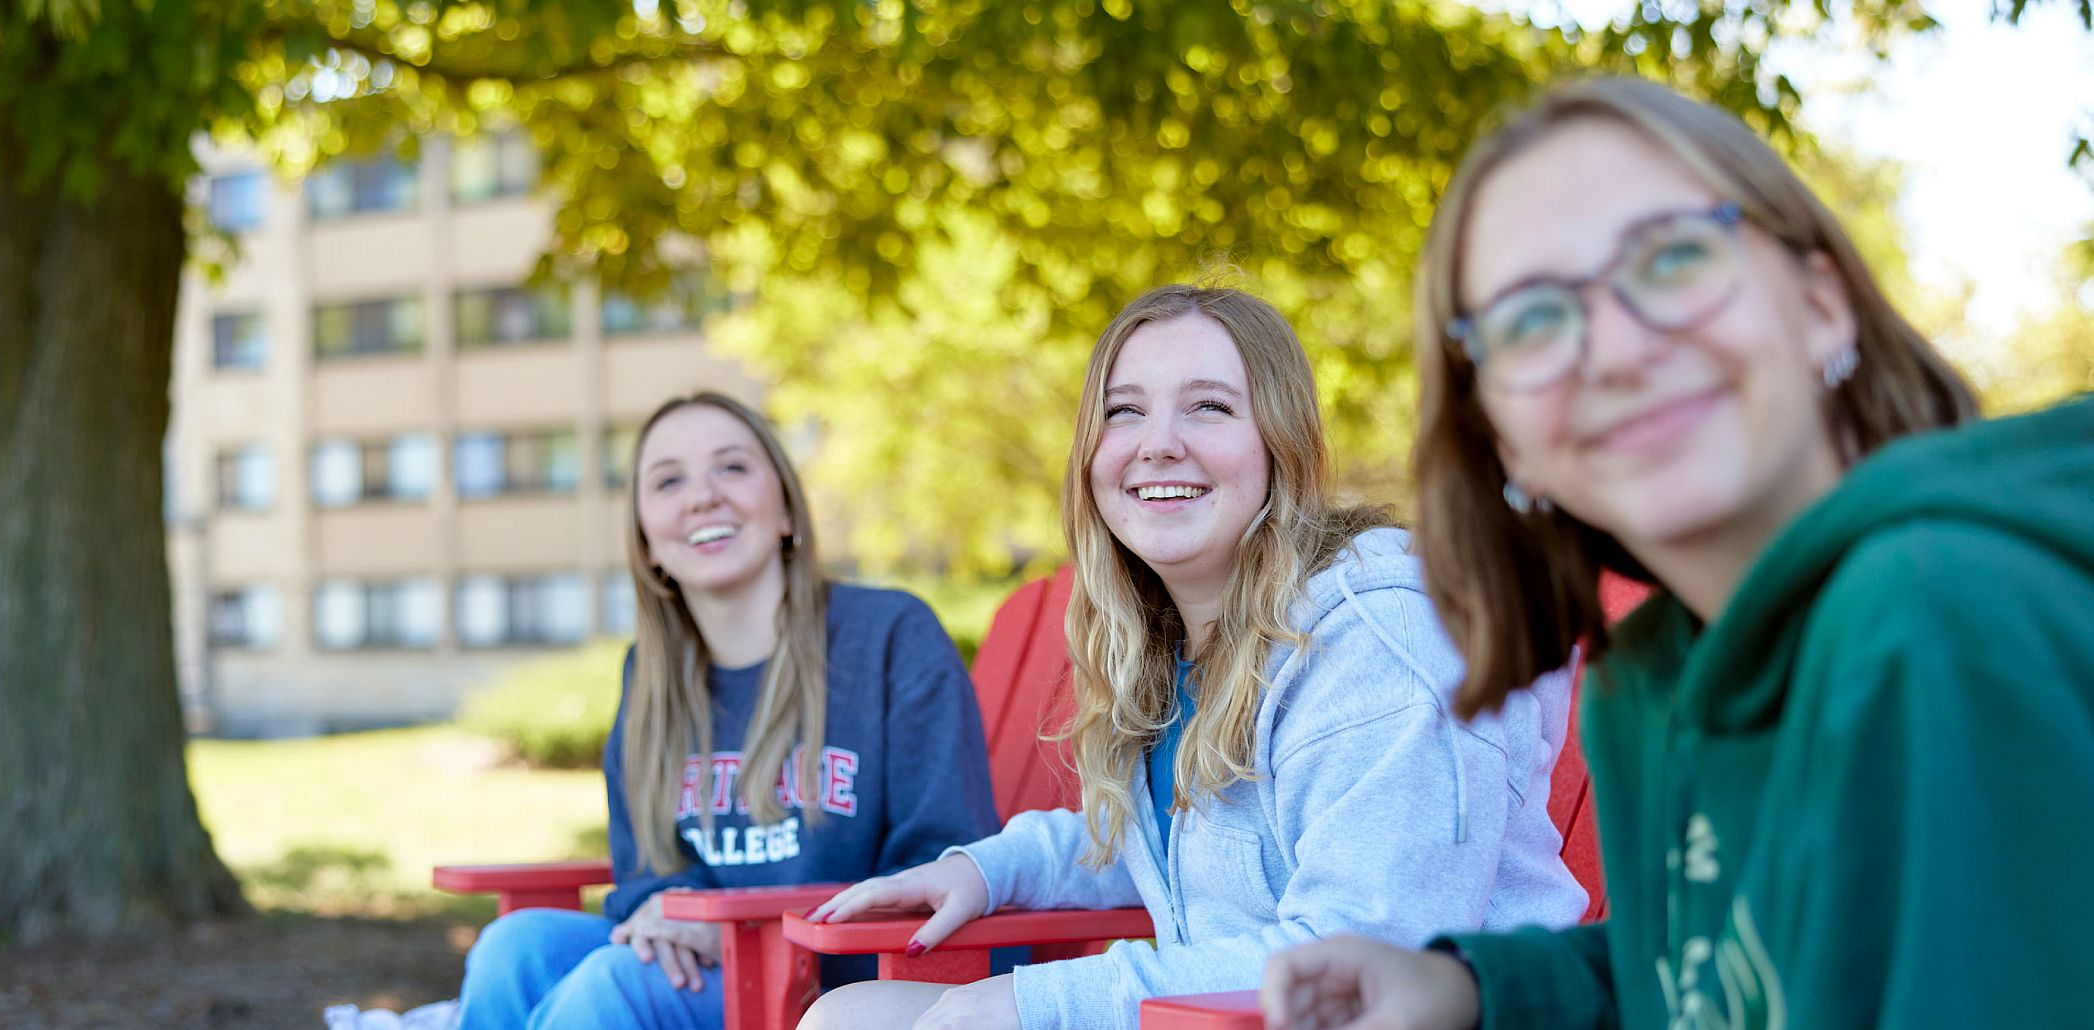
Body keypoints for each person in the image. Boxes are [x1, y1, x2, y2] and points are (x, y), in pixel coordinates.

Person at [1261, 76, 2094, 1030]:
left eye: (1672, 260)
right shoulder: (1648, 682)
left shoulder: (1941, 616)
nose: (1613, 350)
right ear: (1504, 441)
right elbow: (1736, 968)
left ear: (1821, 304)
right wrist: (1475, 989)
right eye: (1531, 319)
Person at [797, 285, 1587, 1030]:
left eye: (1209, 407)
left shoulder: (1380, 640)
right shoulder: (1184, 644)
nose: (1158, 444)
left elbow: (1366, 958)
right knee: (848, 1016)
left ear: (1281, 442)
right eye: (1123, 412)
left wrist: (1034, 1001)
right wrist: (990, 871)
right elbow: (1174, 849)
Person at [456, 392, 1000, 1030]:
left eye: (732, 467)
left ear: (787, 508)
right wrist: (669, 915)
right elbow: (645, 872)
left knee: (617, 985)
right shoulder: (652, 678)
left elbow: (939, 858)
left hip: (849, 980)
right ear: (647, 542)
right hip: (712, 965)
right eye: (668, 481)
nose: (702, 496)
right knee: (513, 948)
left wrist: (736, 928)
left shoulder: (889, 637)